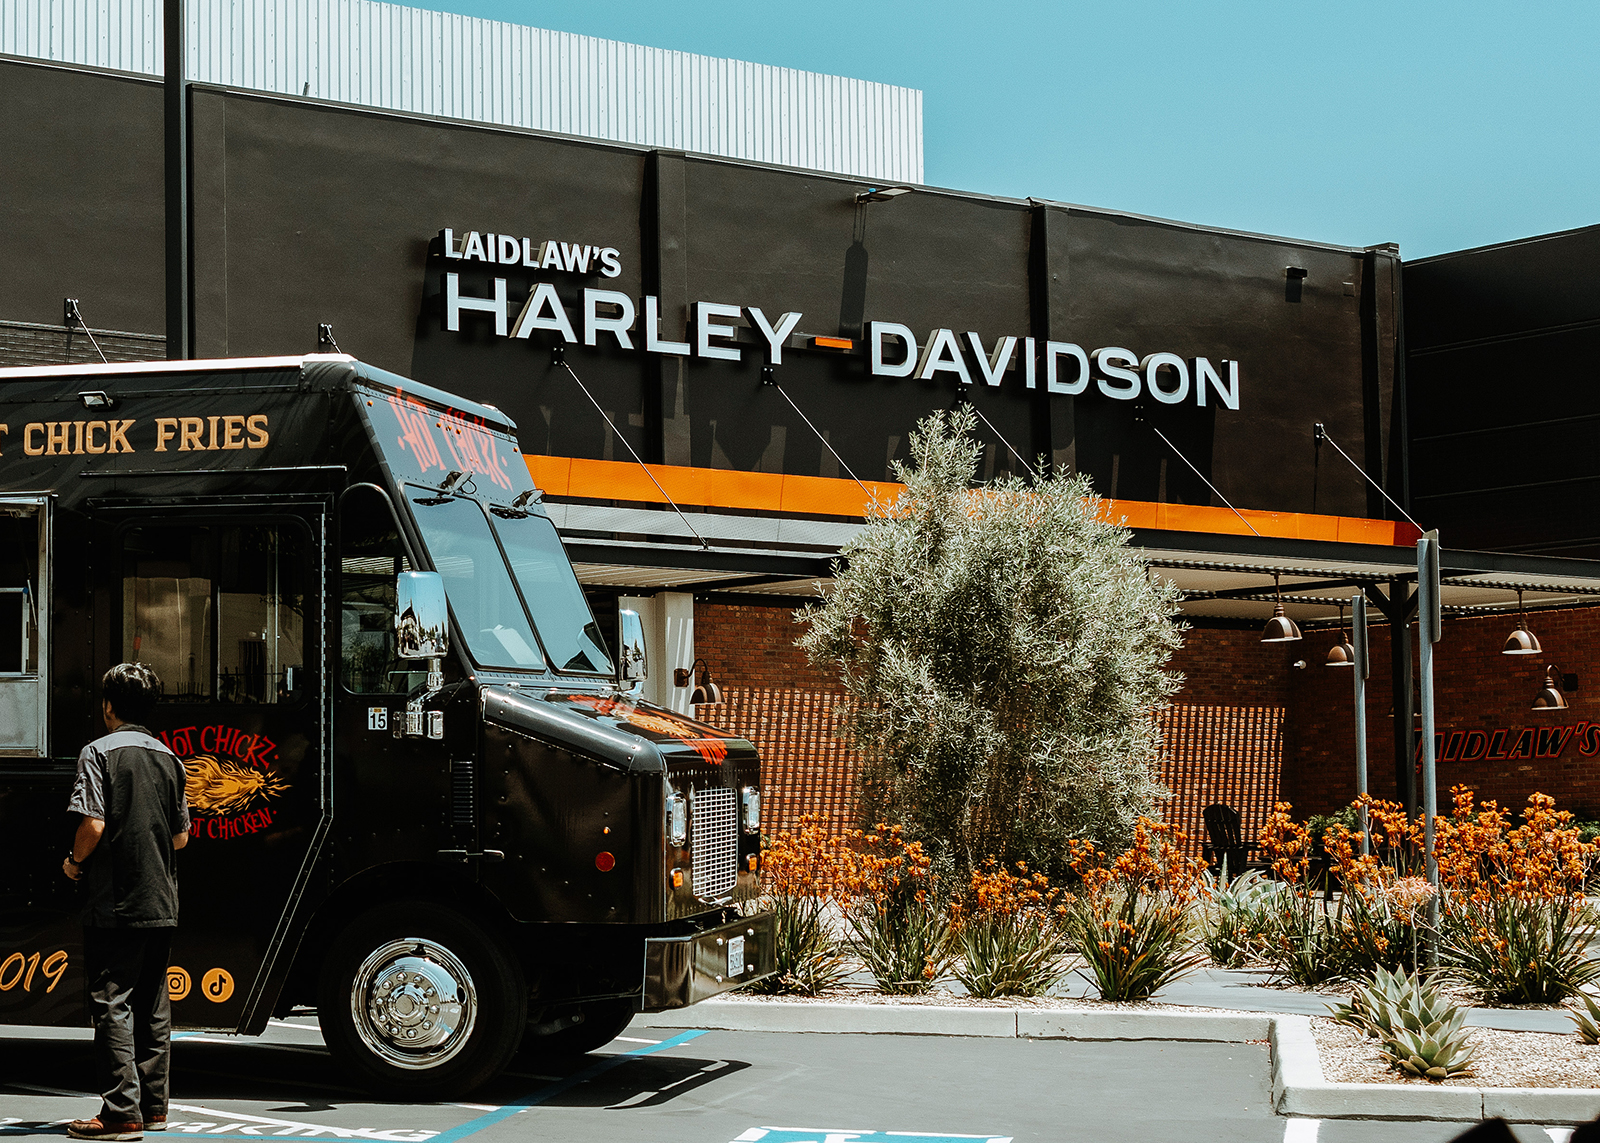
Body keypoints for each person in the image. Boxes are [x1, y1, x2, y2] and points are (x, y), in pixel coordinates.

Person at [63, 663, 190, 1142]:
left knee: (112, 1003)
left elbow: (92, 824)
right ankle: (154, 1109)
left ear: (109, 706)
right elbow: (180, 839)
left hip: (115, 900)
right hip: (162, 898)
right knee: (153, 1005)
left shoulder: (98, 752)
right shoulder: (170, 759)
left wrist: (74, 864)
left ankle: (121, 1114)